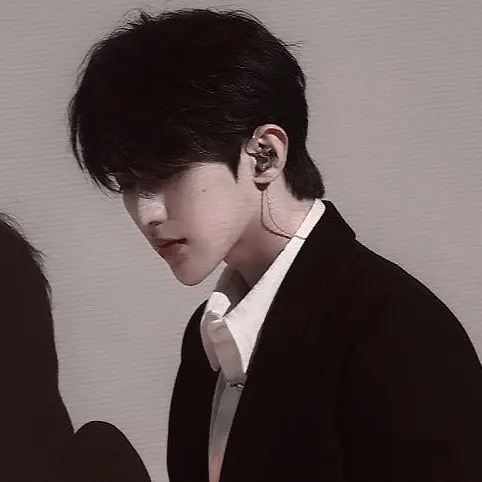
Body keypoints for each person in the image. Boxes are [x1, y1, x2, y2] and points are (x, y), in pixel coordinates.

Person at [67, 8, 482, 482]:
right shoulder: (207, 342)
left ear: (264, 155)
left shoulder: (396, 331)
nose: (147, 213)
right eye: (127, 182)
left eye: (166, 172)